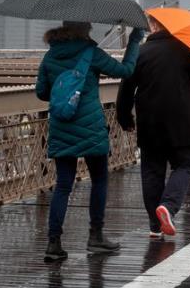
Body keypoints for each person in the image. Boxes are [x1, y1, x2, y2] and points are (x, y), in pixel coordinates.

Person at [35, 21, 143, 262]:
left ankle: (53, 243)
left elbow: (41, 92)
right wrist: (134, 41)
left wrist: (63, 89)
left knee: (63, 185)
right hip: (90, 126)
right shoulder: (91, 52)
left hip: (62, 125)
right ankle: (96, 237)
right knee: (99, 180)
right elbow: (125, 71)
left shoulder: (51, 55)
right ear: (84, 29)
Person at [116, 15, 190, 238]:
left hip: (149, 122)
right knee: (186, 164)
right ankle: (168, 207)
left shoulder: (139, 53)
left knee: (152, 171)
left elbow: (126, 89)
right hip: (182, 122)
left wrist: (124, 118)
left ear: (153, 27)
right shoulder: (183, 48)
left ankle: (154, 225)